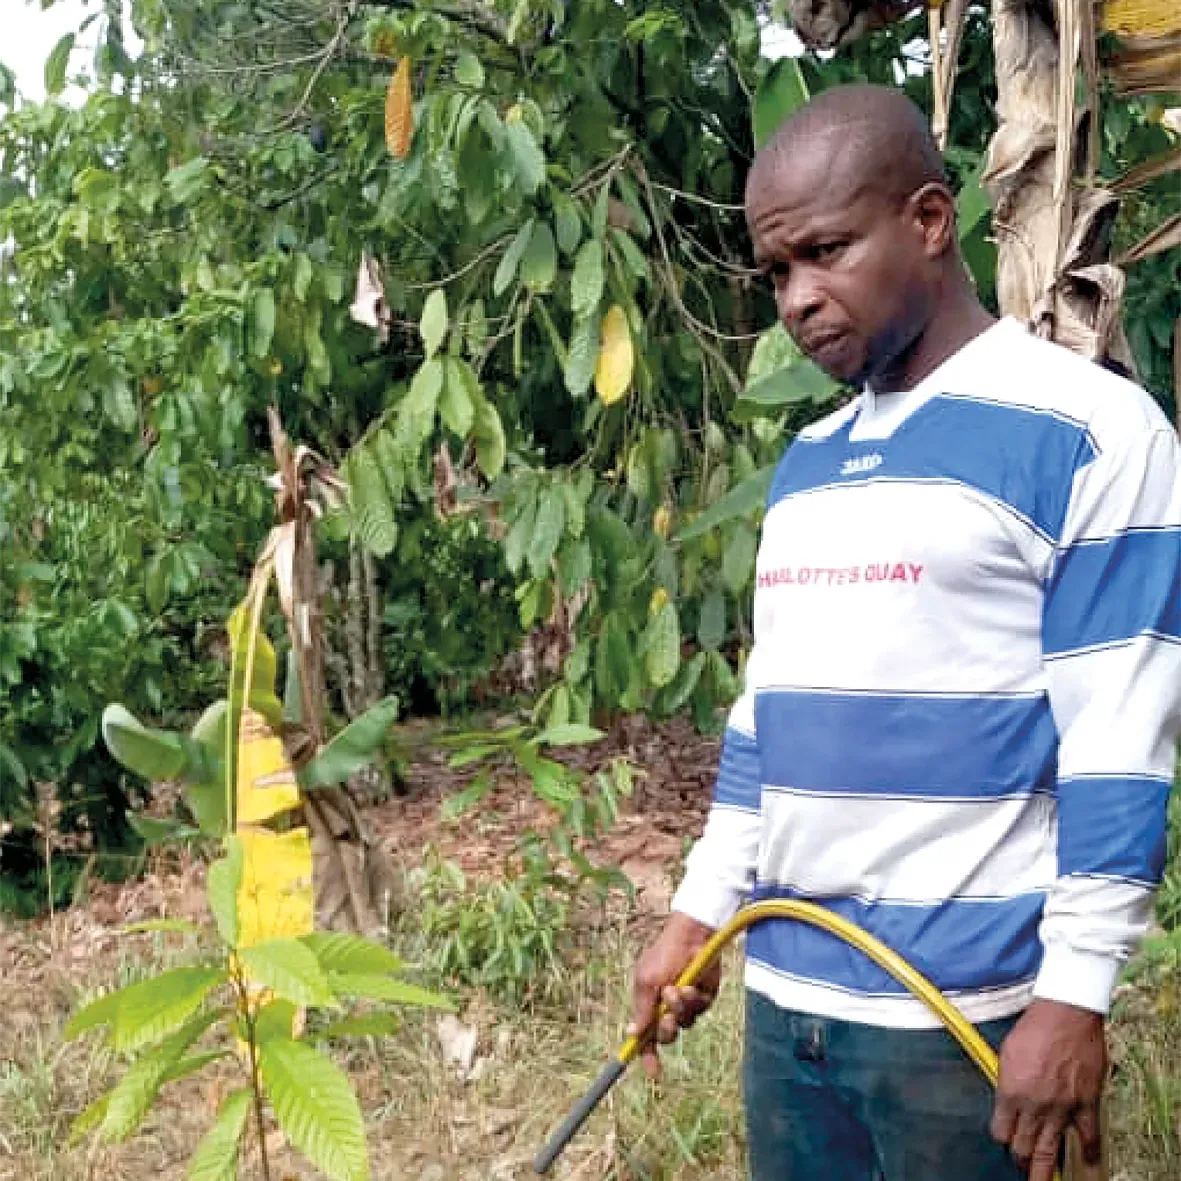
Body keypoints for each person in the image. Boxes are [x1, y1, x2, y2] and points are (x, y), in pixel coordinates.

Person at [630, 83, 1181, 1181]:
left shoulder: (1090, 431)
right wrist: (697, 914)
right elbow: (764, 730)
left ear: (929, 221)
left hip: (963, 1022)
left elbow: (1118, 738)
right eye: (777, 271)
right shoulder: (808, 463)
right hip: (789, 1014)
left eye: (824, 251)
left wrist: (1070, 997)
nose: (795, 298)